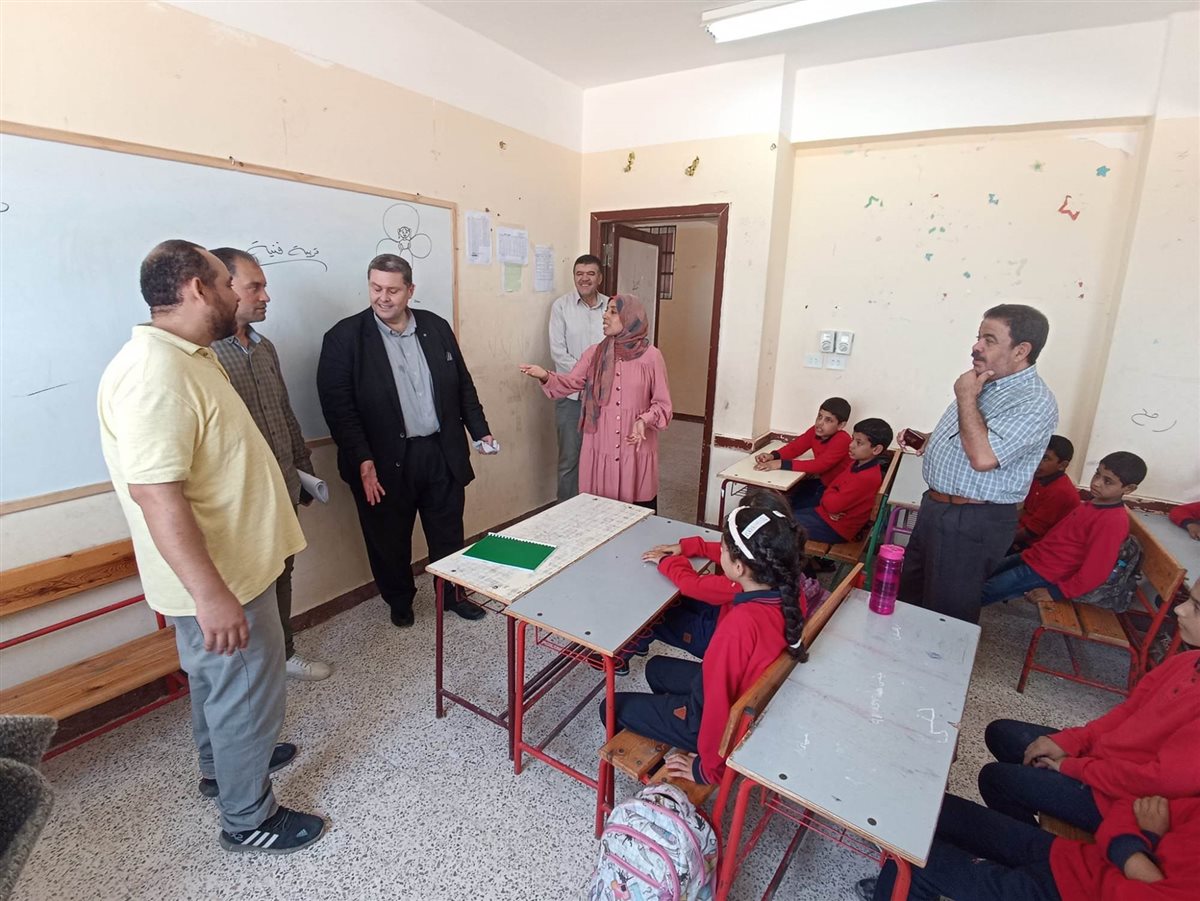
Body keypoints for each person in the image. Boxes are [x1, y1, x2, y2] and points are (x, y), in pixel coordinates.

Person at [97, 239, 324, 854]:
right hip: (224, 580)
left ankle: (220, 769)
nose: (238, 295)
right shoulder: (156, 374)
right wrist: (212, 595)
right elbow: (157, 495)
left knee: (218, 686)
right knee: (245, 693)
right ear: (198, 289)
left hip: (235, 569)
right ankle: (248, 818)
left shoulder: (189, 357)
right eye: (228, 283)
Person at [317, 254, 495, 628]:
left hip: (440, 451)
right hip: (381, 461)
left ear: (410, 290)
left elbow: (462, 385)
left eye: (393, 290)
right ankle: (399, 601)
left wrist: (480, 430)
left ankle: (453, 596)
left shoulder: (435, 327)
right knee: (388, 538)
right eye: (376, 288)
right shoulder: (344, 338)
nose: (383, 297)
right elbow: (339, 410)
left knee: (448, 531)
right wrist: (362, 459)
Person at [600, 501, 809, 787]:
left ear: (738, 567)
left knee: (609, 706)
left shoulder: (739, 627)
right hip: (741, 699)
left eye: (722, 549)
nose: (719, 552)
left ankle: (663, 763)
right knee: (655, 667)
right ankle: (672, 722)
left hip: (719, 720)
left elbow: (717, 704)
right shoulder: (790, 591)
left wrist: (706, 769)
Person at [977, 575, 1200, 834]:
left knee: (996, 780)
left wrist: (1073, 767)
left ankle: (1041, 849)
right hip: (1105, 762)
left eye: (1196, 607)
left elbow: (1158, 781)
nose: (1179, 609)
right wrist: (1072, 741)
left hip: (1126, 802)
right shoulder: (1188, 661)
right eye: (1189, 600)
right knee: (1001, 733)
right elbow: (1127, 712)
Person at [209, 247, 331, 681]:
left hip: (283, 482)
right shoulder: (206, 356)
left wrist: (303, 468)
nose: (266, 296)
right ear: (224, 289)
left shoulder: (265, 349)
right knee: (248, 584)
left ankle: (284, 653)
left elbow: (283, 411)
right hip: (240, 497)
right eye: (255, 287)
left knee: (283, 570)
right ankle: (253, 669)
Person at [896, 304, 1058, 623]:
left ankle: (940, 658)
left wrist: (966, 397)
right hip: (938, 508)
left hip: (973, 519)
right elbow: (973, 435)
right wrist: (930, 439)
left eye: (989, 340)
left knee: (946, 613)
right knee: (910, 597)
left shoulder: (1034, 401)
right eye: (978, 337)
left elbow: (984, 457)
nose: (976, 346)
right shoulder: (986, 383)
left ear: (1021, 350)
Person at [859, 792, 1200, 901]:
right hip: (1073, 859)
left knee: (912, 861)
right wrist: (1137, 856)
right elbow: (1129, 805)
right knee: (931, 807)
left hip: (1069, 893)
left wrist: (1137, 847)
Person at [637, 489, 829, 661]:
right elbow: (738, 553)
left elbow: (693, 585)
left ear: (740, 565)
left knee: (654, 615)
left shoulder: (743, 586)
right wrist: (690, 547)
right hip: (728, 617)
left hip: (716, 638)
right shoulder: (781, 564)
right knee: (675, 601)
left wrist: (666, 561)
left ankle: (629, 653)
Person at [519, 294, 671, 509]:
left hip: (634, 444)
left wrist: (643, 420)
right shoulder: (594, 354)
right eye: (606, 310)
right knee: (599, 511)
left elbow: (663, 405)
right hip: (601, 441)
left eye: (613, 312)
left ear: (630, 318)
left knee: (637, 512)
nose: (605, 316)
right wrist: (545, 375)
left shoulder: (651, 357)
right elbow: (571, 383)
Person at [980, 452, 1145, 606]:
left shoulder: (1112, 521)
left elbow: (1096, 571)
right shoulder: (1094, 503)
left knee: (981, 593)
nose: (1096, 482)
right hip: (1034, 557)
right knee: (977, 577)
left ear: (1129, 489)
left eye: (1107, 481)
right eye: (1097, 474)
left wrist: (1057, 592)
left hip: (1046, 572)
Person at [548, 254, 608, 501]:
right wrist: (587, 377)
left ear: (599, 278)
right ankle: (566, 512)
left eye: (590, 273)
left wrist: (601, 381)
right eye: (579, 274)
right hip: (571, 397)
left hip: (605, 399)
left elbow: (618, 349)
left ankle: (599, 510)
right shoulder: (561, 307)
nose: (584, 279)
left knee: (603, 458)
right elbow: (558, 352)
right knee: (569, 460)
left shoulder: (612, 306)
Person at [791, 418, 893, 544]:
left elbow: (833, 504)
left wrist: (830, 499)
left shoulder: (866, 477)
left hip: (835, 529)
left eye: (859, 443)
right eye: (852, 439)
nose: (851, 445)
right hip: (826, 515)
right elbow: (833, 486)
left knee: (782, 524)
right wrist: (831, 498)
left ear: (876, 449)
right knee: (785, 516)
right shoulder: (856, 463)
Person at [753, 397, 852, 511]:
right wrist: (773, 456)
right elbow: (795, 447)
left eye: (828, 420)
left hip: (838, 491)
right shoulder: (815, 431)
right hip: (824, 484)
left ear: (841, 425)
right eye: (819, 416)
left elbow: (819, 465)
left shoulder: (842, 439)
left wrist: (780, 464)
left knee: (794, 509)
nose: (820, 423)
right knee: (787, 499)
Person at [1012, 434, 1081, 551]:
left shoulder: (1060, 491)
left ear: (1062, 465)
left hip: (1039, 546)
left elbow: (1032, 532)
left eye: (1045, 458)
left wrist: (1003, 538)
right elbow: (1026, 511)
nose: (1037, 461)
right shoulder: (1040, 478)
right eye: (1037, 455)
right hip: (1022, 536)